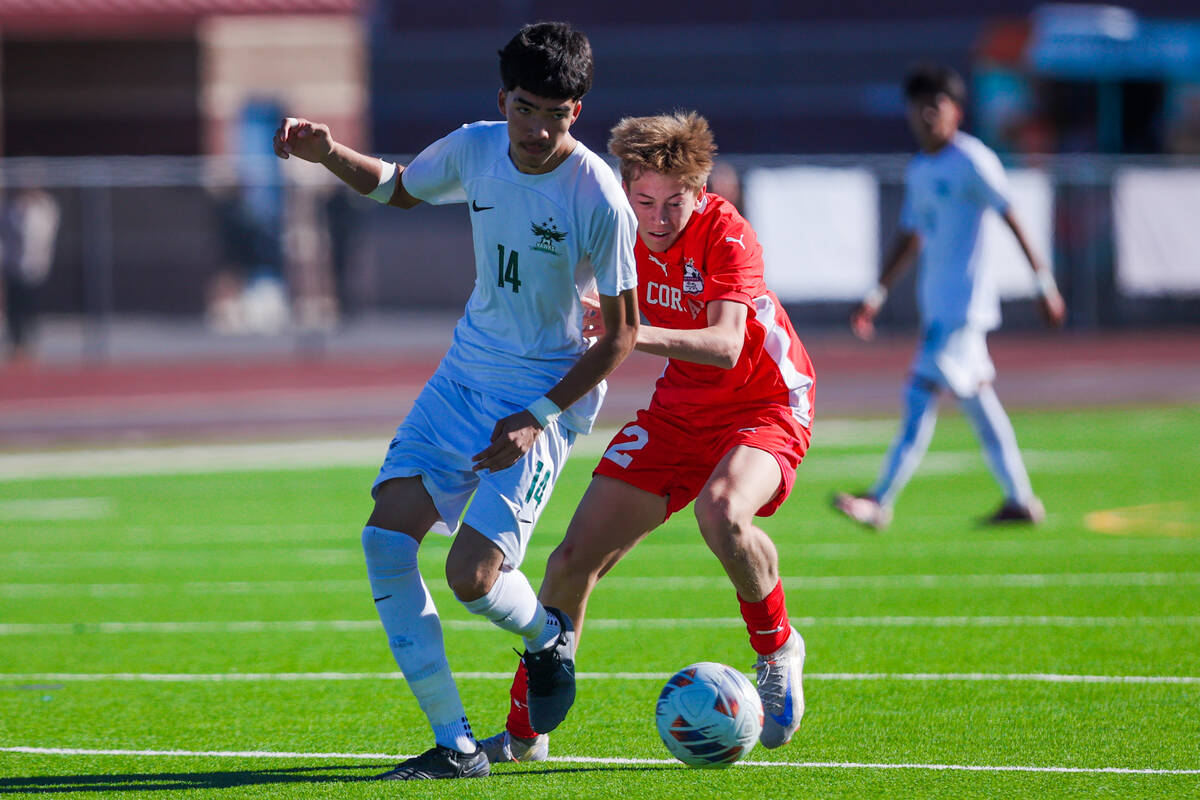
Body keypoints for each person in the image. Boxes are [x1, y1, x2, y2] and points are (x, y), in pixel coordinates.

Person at [272, 21, 638, 780]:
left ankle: (546, 637)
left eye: (558, 113)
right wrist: (327, 154)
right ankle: (457, 745)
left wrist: (537, 419)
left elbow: (622, 338)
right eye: (526, 108)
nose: (538, 128)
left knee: (470, 578)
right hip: (464, 378)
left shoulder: (598, 194)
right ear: (503, 99)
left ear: (580, 110)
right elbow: (400, 189)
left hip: (546, 397)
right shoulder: (475, 147)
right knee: (383, 541)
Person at [481, 111, 816, 763]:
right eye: (644, 201)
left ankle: (777, 647)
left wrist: (624, 331)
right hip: (678, 413)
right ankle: (525, 734)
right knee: (571, 561)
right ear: (625, 188)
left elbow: (723, 346)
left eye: (675, 203)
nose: (658, 218)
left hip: (766, 401)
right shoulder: (612, 228)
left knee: (721, 512)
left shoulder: (728, 235)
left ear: (702, 190)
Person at [832, 63, 1066, 531]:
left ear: (955, 111)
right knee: (980, 404)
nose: (925, 115)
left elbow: (1013, 217)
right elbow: (909, 236)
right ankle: (1020, 499)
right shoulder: (921, 168)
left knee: (918, 393)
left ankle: (880, 500)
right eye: (917, 107)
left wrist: (1045, 284)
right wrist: (876, 294)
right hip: (939, 305)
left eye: (934, 105)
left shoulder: (973, 160)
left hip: (963, 308)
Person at [1, 187, 61, 363]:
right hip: (14, 266)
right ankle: (16, 345)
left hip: (35, 267)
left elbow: (45, 228)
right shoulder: (11, 209)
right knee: (15, 308)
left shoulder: (44, 209)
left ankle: (30, 345)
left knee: (31, 308)